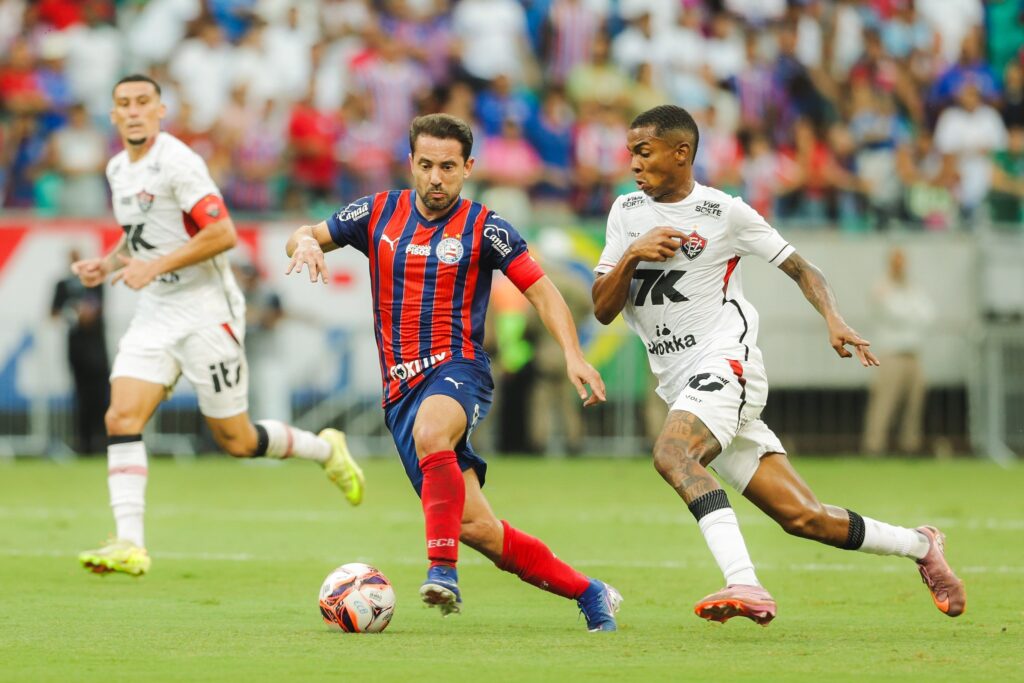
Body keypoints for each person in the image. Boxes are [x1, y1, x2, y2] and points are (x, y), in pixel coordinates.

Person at [591, 104, 966, 625]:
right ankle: (921, 545)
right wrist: (633, 254)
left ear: (682, 153)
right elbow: (603, 309)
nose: (632, 162)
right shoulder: (626, 213)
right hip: (682, 385)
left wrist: (833, 318)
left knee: (673, 453)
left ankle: (745, 583)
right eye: (630, 151)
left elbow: (801, 267)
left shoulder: (726, 213)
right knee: (803, 517)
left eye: (643, 151)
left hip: (727, 364)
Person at [284, 113, 621, 632]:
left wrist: (574, 354)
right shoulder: (376, 212)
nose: (435, 178)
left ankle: (442, 572)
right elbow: (305, 235)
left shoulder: (486, 228)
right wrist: (304, 241)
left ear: (468, 168)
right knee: (477, 527)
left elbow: (541, 290)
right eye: (425, 165)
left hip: (458, 369)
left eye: (446, 166)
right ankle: (590, 593)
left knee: (432, 429)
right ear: (410, 165)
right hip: (400, 389)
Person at [70, 74, 365, 578]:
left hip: (206, 309)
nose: (135, 111)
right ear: (114, 115)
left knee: (237, 441)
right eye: (124, 104)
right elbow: (141, 234)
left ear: (161, 110)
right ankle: (130, 543)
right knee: (120, 418)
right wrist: (112, 262)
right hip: (156, 311)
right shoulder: (118, 167)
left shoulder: (179, 162)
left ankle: (324, 448)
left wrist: (152, 267)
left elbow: (223, 232)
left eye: (144, 102)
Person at [862, 248, 935, 456]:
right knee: (884, 402)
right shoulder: (881, 287)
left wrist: (910, 311)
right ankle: (874, 447)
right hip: (891, 354)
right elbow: (896, 313)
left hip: (913, 354)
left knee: (914, 403)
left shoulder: (913, 287)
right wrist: (912, 311)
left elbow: (928, 315)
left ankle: (910, 445)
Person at [51, 248, 109, 454]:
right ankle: (83, 444)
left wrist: (84, 313)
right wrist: (72, 312)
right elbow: (54, 313)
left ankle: (102, 442)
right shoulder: (62, 284)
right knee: (80, 397)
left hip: (96, 348)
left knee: (101, 396)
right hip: (76, 350)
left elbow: (96, 310)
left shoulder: (96, 282)